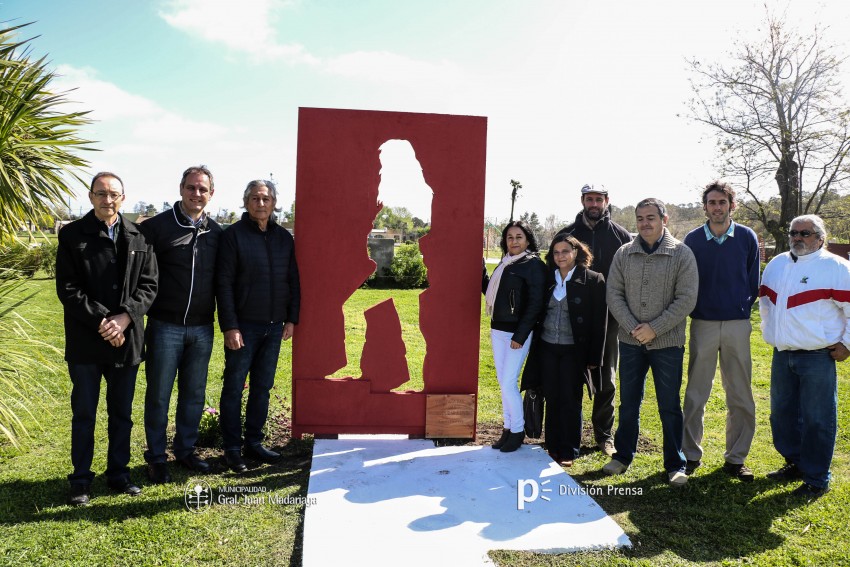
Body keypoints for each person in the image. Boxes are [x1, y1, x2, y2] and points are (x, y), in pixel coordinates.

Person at [55, 172, 158, 506]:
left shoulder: (139, 236)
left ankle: (118, 474)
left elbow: (149, 285)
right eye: (101, 193)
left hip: (126, 341)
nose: (108, 199)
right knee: (84, 412)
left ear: (123, 199)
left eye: (114, 194)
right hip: (87, 340)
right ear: (91, 196)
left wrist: (125, 316)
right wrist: (103, 320)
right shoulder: (73, 235)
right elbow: (68, 288)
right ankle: (81, 480)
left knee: (121, 413)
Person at [601, 198, 698, 487]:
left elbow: (686, 299)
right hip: (630, 342)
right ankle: (622, 456)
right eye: (640, 218)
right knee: (629, 401)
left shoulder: (682, 254)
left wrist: (654, 328)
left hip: (667, 343)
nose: (645, 223)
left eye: (651, 217)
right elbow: (613, 293)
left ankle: (675, 464)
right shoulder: (624, 253)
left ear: (664, 219)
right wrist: (633, 327)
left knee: (669, 404)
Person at [140, 165, 222, 483]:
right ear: (181, 189)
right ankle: (157, 457)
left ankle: (186, 451)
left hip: (202, 329)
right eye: (191, 187)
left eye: (203, 189)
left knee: (194, 394)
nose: (196, 193)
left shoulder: (217, 233)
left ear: (211, 194)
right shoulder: (157, 228)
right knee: (159, 394)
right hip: (165, 326)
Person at [760, 214, 850, 498]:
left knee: (817, 419)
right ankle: (795, 463)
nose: (798, 238)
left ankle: (817, 478)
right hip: (782, 354)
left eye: (806, 233)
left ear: (821, 238)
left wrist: (848, 343)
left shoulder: (836, 268)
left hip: (817, 357)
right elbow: (765, 304)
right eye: (794, 232)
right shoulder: (777, 264)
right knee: (783, 415)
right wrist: (772, 334)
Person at [217, 179, 300, 473]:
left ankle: (253, 442)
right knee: (234, 388)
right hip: (244, 327)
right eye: (254, 198)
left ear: (274, 202)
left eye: (265, 198)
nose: (260, 203)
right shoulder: (233, 236)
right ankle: (231, 448)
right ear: (246, 202)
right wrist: (230, 326)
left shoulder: (283, 238)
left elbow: (292, 279)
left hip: (274, 327)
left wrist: (292, 318)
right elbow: (223, 284)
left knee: (262, 388)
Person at [682, 181, 759, 481]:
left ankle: (736, 458)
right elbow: (686, 280)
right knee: (696, 393)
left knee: (740, 393)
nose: (717, 207)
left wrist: (740, 307)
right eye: (711, 202)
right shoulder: (692, 239)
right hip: (702, 323)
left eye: (722, 202)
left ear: (731, 205)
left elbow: (752, 279)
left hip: (737, 324)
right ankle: (690, 454)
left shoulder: (746, 237)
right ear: (705, 206)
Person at [556, 183, 632, 456]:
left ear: (606, 201)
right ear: (582, 201)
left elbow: (630, 275)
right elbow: (552, 270)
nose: (594, 204)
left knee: (606, 379)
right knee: (567, 375)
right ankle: (565, 431)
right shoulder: (568, 235)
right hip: (569, 318)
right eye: (590, 199)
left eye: (599, 199)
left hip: (608, 317)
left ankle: (603, 434)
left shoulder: (621, 236)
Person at [521, 233, 607, 466]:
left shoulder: (593, 279)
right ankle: (552, 446)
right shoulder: (548, 278)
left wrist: (593, 357)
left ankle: (568, 449)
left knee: (570, 399)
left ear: (575, 253)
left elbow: (600, 323)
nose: (561, 256)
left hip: (574, 351)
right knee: (551, 397)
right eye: (556, 252)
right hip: (547, 348)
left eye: (565, 252)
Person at [482, 221, 547, 453]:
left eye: (519, 237)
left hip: (516, 334)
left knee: (509, 382)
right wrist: (481, 270)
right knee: (503, 383)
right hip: (497, 329)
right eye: (510, 237)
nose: (514, 241)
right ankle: (508, 429)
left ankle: (518, 431)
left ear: (528, 240)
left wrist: (520, 334)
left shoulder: (534, 265)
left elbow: (535, 305)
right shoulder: (505, 263)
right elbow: (494, 292)